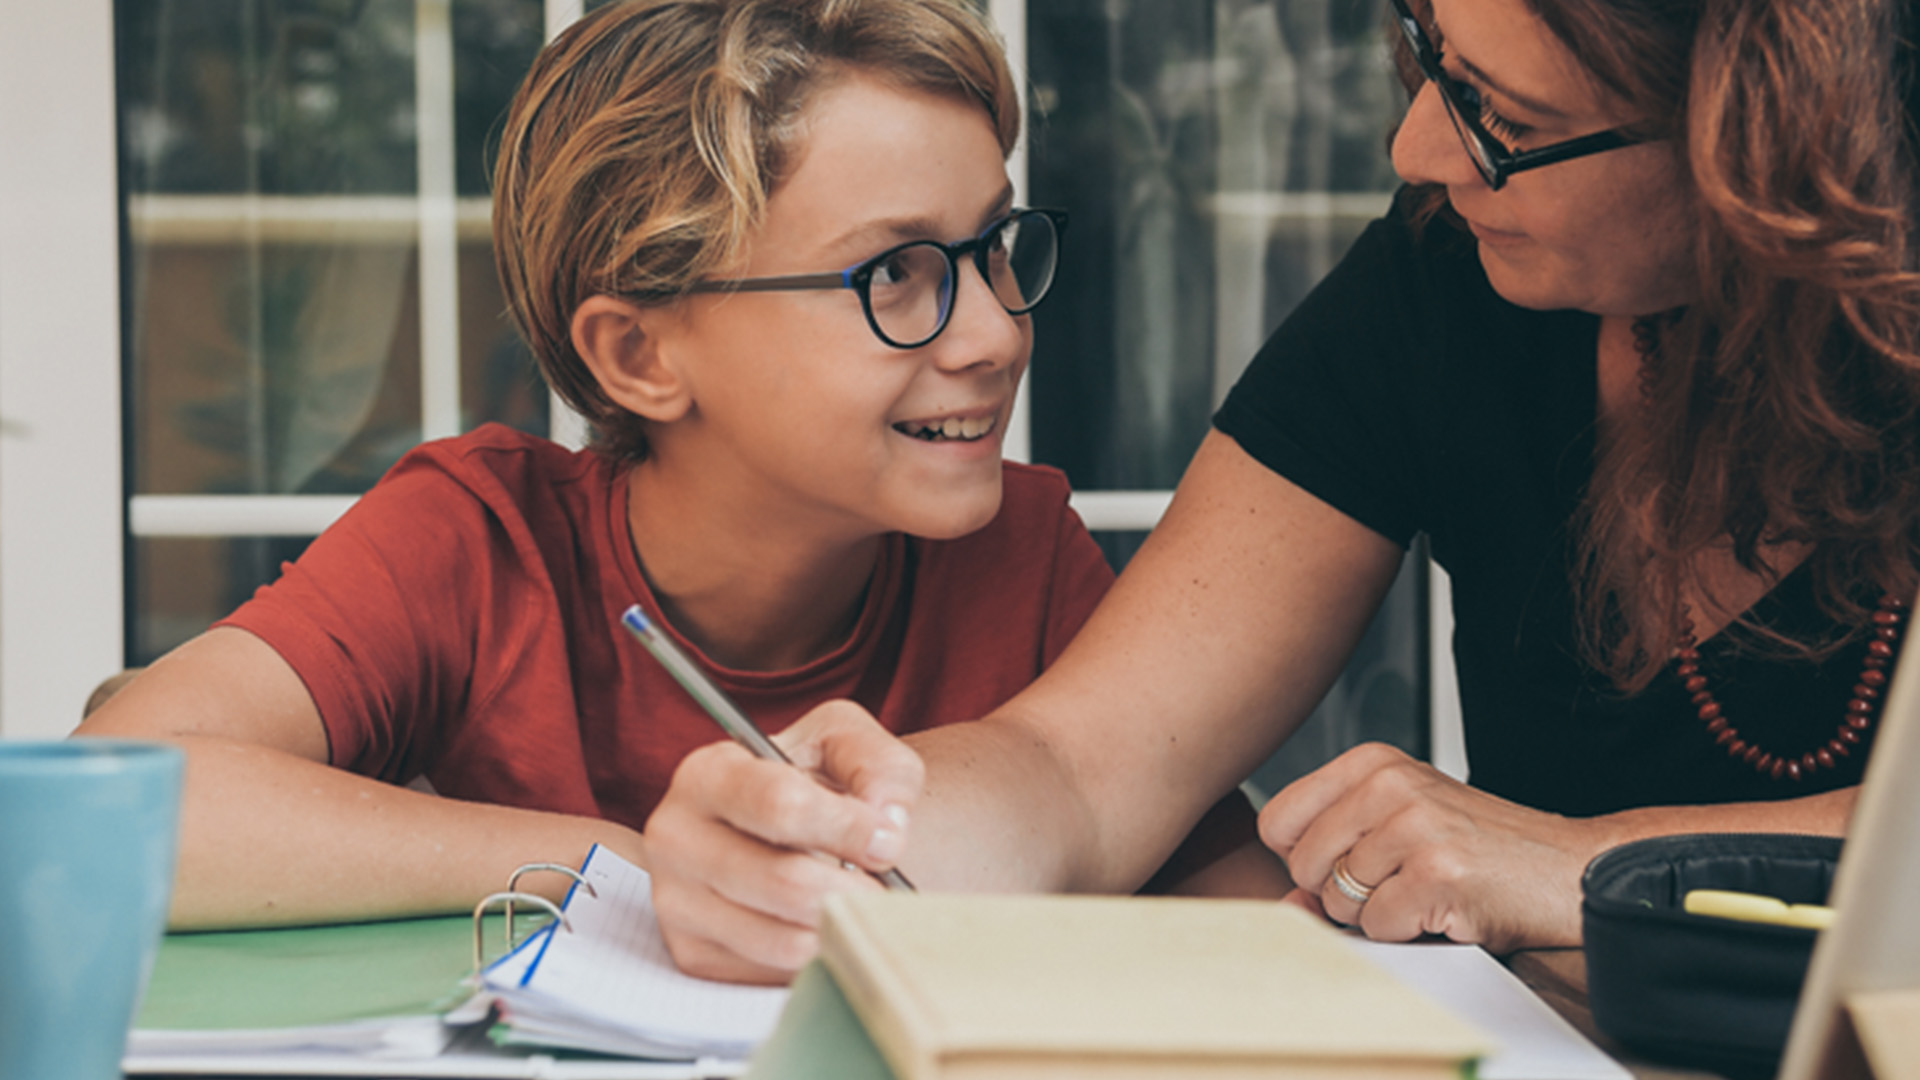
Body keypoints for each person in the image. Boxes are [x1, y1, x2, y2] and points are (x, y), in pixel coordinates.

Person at [641, 0, 1920, 982]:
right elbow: (1084, 768)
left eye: (1504, 121)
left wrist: (1584, 865)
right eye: (1429, 56)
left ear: (1765, 138)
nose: (1418, 148)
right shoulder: (1447, 278)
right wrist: (840, 849)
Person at [77, 0, 1271, 931]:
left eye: (993, 247)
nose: (997, 332)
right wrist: (634, 869)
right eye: (895, 273)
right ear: (641, 353)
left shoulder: (1023, 558)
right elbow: (109, 807)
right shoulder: (477, 546)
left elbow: (1239, 908)